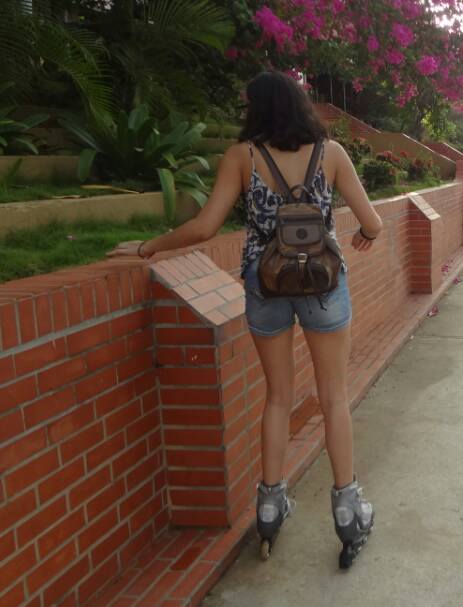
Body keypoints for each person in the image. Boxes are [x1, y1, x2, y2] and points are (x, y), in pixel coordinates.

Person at [108, 71, 382, 568]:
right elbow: (374, 224)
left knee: (277, 397)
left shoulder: (243, 156)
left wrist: (149, 247)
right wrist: (364, 235)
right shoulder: (333, 153)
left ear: (256, 108)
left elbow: (205, 226)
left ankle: (271, 505)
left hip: (265, 282)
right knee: (333, 397)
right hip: (323, 284)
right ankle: (347, 510)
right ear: (299, 105)